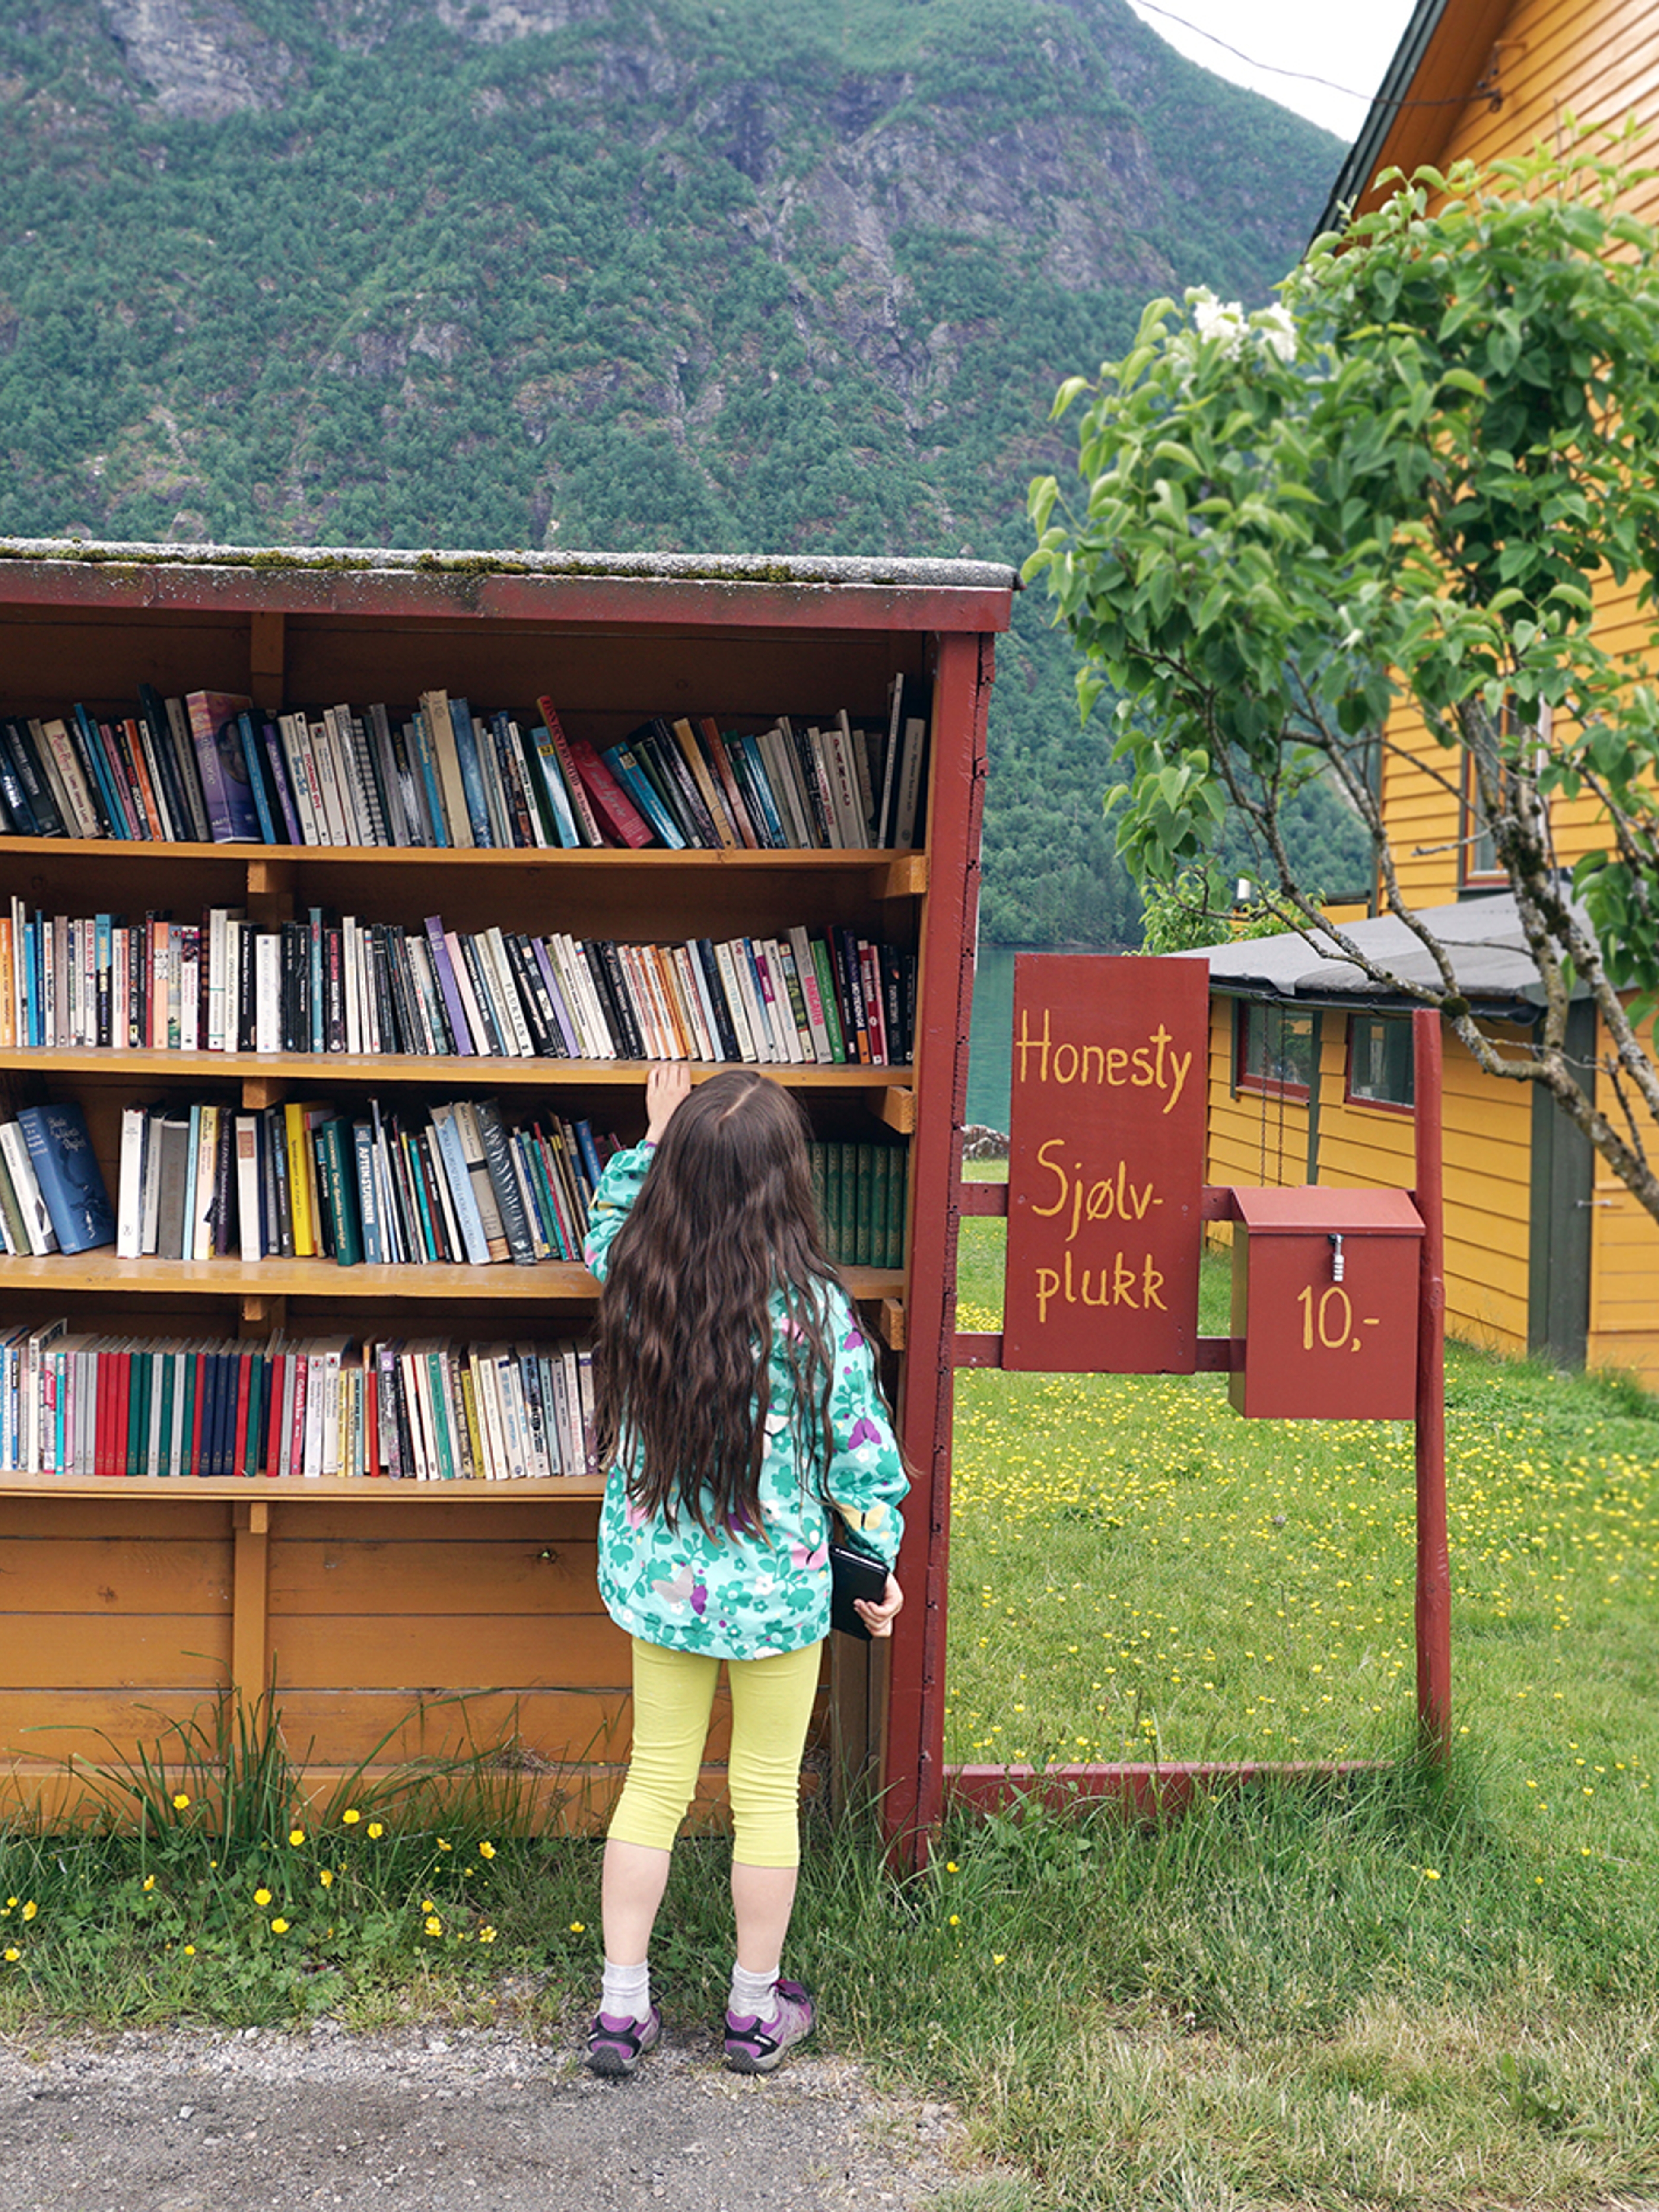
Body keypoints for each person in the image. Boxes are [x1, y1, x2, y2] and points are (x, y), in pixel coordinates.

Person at [581, 1064, 906, 2079]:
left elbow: (603, 1223)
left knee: (654, 1784)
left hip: (663, 1593)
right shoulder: (816, 1313)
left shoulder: (637, 1276)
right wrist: (878, 1560)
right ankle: (756, 2013)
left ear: (676, 1174)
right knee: (766, 1794)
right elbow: (863, 1462)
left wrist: (648, 1136)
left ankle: (623, 2010)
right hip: (778, 1599)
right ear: (786, 1183)